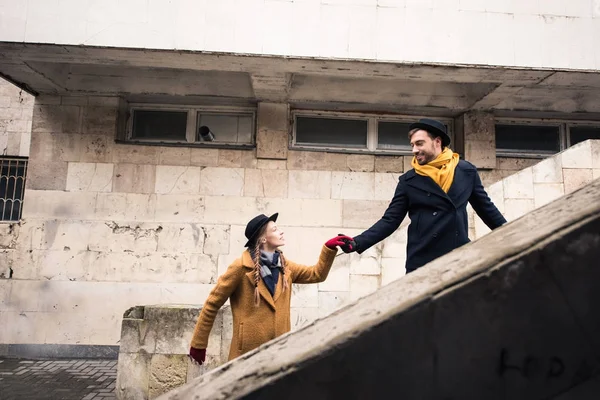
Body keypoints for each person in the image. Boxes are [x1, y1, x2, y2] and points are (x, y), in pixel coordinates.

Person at [338, 118, 507, 274]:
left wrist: (513, 235)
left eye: (419, 144)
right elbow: (390, 220)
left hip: (459, 258)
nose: (414, 150)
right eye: (412, 145)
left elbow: (487, 210)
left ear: (437, 142)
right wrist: (356, 242)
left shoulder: (466, 172)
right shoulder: (408, 181)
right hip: (421, 261)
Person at [188, 212, 352, 365]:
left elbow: (316, 274)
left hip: (280, 352)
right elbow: (212, 303)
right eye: (275, 229)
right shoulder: (240, 267)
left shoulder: (285, 266)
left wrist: (329, 249)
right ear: (263, 239)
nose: (281, 232)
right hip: (247, 354)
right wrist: (199, 344)